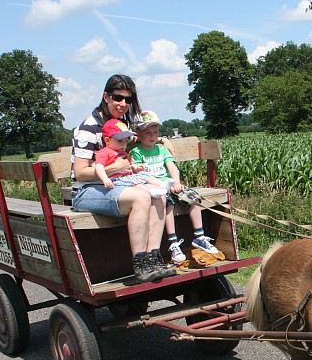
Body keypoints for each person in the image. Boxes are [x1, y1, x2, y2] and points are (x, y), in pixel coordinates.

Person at [70, 74, 175, 283]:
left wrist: (162, 139)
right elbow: (80, 172)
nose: (123, 104)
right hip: (88, 190)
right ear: (106, 97)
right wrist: (112, 168)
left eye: (128, 99)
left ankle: (154, 258)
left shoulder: (120, 124)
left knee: (159, 195)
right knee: (141, 197)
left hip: (117, 185)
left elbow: (139, 136)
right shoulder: (88, 128)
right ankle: (140, 263)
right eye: (118, 98)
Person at [131, 110, 221, 264]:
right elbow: (142, 176)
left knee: (193, 198)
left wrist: (176, 182)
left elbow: (172, 167)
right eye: (147, 132)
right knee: (168, 204)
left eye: (155, 132)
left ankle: (199, 236)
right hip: (155, 188)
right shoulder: (136, 152)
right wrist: (162, 185)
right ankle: (173, 243)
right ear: (138, 133)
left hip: (171, 184)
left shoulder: (162, 149)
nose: (152, 136)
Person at [94, 119, 175, 199]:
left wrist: (136, 168)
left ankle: (162, 184)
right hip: (115, 179)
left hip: (127, 176)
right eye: (120, 141)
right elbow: (99, 166)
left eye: (126, 141)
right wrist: (105, 179)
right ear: (107, 140)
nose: (124, 144)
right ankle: (151, 191)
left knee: (144, 175)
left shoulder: (122, 152)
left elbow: (129, 165)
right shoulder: (104, 152)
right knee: (135, 184)